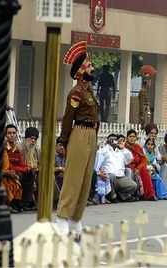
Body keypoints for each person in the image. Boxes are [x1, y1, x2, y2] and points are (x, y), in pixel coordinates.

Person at [56, 41, 99, 236]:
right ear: (81, 70)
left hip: (91, 134)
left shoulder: (89, 91)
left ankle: (76, 219)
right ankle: (62, 218)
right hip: (80, 133)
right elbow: (68, 118)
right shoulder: (76, 92)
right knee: (74, 178)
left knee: (85, 180)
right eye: (89, 65)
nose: (92, 67)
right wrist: (62, 141)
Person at [5, 124, 32, 212]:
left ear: (16, 134)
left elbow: (21, 163)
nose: (12, 135)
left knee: (30, 172)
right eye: (9, 133)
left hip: (16, 171)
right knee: (17, 175)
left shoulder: (18, 148)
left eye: (13, 133)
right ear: (5, 135)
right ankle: (14, 203)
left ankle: (25, 202)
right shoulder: (4, 148)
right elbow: (7, 164)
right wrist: (20, 169)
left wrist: (27, 168)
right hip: (7, 172)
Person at [125, 129, 156, 201]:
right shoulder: (125, 147)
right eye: (130, 136)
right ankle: (134, 194)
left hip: (138, 167)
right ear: (127, 138)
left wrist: (138, 168)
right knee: (133, 171)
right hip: (129, 166)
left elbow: (143, 159)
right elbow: (125, 161)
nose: (132, 138)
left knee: (144, 170)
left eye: (134, 136)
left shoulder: (138, 147)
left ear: (136, 138)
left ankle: (149, 194)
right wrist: (134, 168)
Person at [21, 127, 40, 210]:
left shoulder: (37, 150)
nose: (33, 141)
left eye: (35, 139)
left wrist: (37, 168)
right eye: (31, 138)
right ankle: (26, 202)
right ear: (26, 139)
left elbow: (40, 164)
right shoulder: (21, 149)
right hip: (23, 172)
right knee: (29, 175)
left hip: (34, 172)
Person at [1, 145, 23, 213]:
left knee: (16, 182)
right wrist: (7, 173)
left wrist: (12, 172)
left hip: (5, 174)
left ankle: (15, 203)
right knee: (5, 183)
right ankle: (8, 205)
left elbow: (8, 166)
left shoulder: (4, 152)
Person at [54, 137, 66, 205]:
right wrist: (60, 168)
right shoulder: (52, 155)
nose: (62, 147)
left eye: (63, 146)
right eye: (60, 145)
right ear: (56, 146)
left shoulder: (65, 156)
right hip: (55, 177)